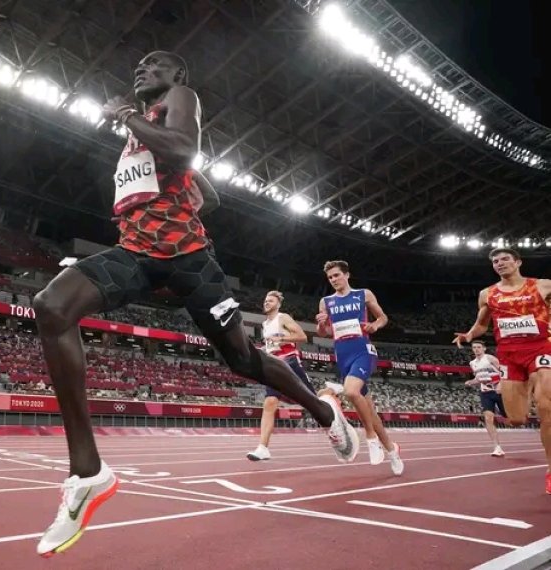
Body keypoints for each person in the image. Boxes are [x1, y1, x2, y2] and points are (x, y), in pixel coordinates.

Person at [32, 50, 359, 558]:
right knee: (51, 306)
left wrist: (126, 115)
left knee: (243, 360)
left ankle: (324, 412)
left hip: (189, 261)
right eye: (138, 64)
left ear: (178, 77)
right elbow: (207, 191)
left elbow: (185, 151)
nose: (142, 69)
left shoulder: (179, 99)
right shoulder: (140, 134)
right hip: (136, 253)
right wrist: (176, 181)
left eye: (155, 64)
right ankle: (88, 473)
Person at [453, 247, 551, 494]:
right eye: (495, 261)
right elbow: (481, 325)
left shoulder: (542, 286)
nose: (500, 263)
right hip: (509, 355)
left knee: (545, 405)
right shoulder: (488, 294)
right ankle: (531, 384)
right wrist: (468, 335)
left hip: (540, 348)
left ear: (518, 262)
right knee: (516, 418)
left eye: (505, 258)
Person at [316, 260, 404, 476]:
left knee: (351, 391)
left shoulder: (363, 294)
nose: (334, 280)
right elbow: (324, 333)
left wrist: (375, 325)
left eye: (337, 275)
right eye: (330, 278)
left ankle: (371, 438)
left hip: (362, 350)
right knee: (370, 410)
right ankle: (392, 451)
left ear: (347, 275)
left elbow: (383, 317)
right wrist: (320, 323)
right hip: (342, 354)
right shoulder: (326, 301)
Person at [247, 290, 312, 461]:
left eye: (270, 301)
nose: (266, 303)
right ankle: (263, 448)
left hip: (289, 361)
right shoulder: (264, 324)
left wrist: (281, 339)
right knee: (269, 402)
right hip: (274, 364)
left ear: (278, 304)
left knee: (313, 400)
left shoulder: (283, 318)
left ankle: (333, 411)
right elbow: (270, 345)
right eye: (265, 300)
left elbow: (302, 336)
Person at [465, 340, 506, 456]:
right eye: (474, 347)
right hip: (486, 392)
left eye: (479, 347)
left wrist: (500, 384)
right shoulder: (472, 363)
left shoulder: (490, 359)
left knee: (512, 420)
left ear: (484, 348)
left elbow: (504, 372)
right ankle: (497, 447)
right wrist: (471, 382)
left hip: (500, 391)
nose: (476, 349)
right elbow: (479, 378)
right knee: (488, 418)